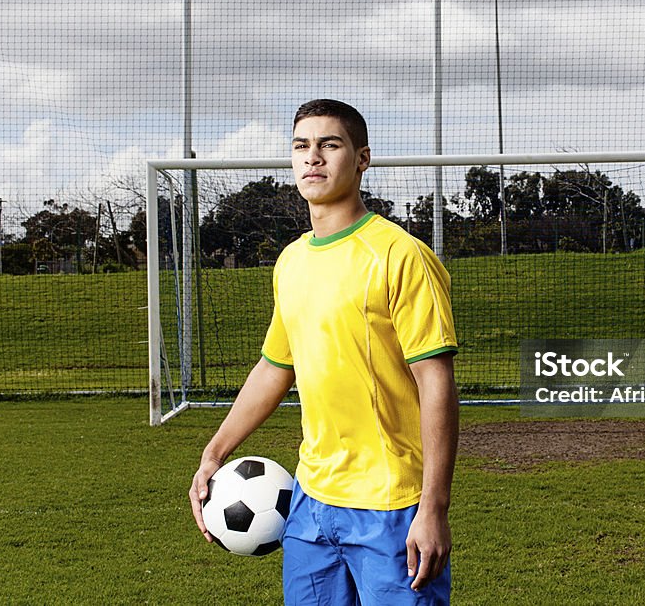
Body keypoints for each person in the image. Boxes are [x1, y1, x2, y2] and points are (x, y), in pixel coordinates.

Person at [190, 99, 459, 605]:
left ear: (361, 158)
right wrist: (214, 452)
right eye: (301, 146)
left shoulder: (400, 256)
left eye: (329, 145)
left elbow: (435, 381)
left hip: (391, 503)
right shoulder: (291, 261)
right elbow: (274, 367)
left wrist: (433, 507)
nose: (313, 157)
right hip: (310, 503)